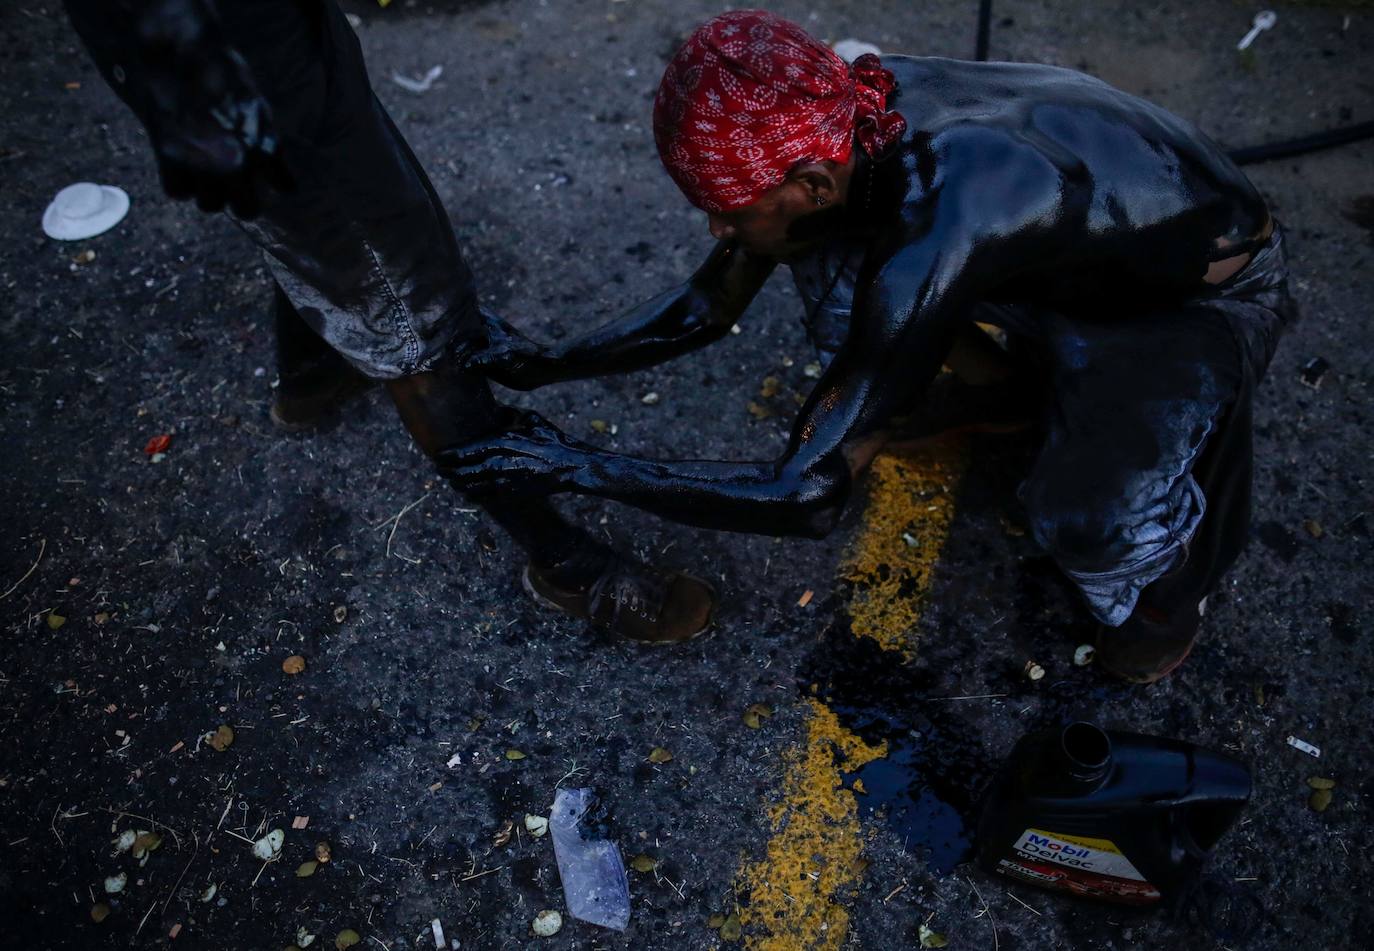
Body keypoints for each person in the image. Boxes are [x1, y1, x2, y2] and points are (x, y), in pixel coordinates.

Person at [441, 9, 1297, 683]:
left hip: (1187, 304)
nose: (714, 226)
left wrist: (575, 465)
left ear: (812, 181)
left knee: (1087, 521)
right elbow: (705, 307)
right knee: (822, 263)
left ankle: (1168, 600)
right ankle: (1002, 397)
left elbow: (808, 493)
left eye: (728, 208)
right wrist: (545, 361)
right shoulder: (848, 113)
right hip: (1056, 261)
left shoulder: (941, 221)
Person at [59, 0, 717, 643]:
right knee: (407, 299)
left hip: (259, 33)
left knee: (325, 223)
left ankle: (314, 373)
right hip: (211, 46)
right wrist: (178, 57)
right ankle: (567, 566)